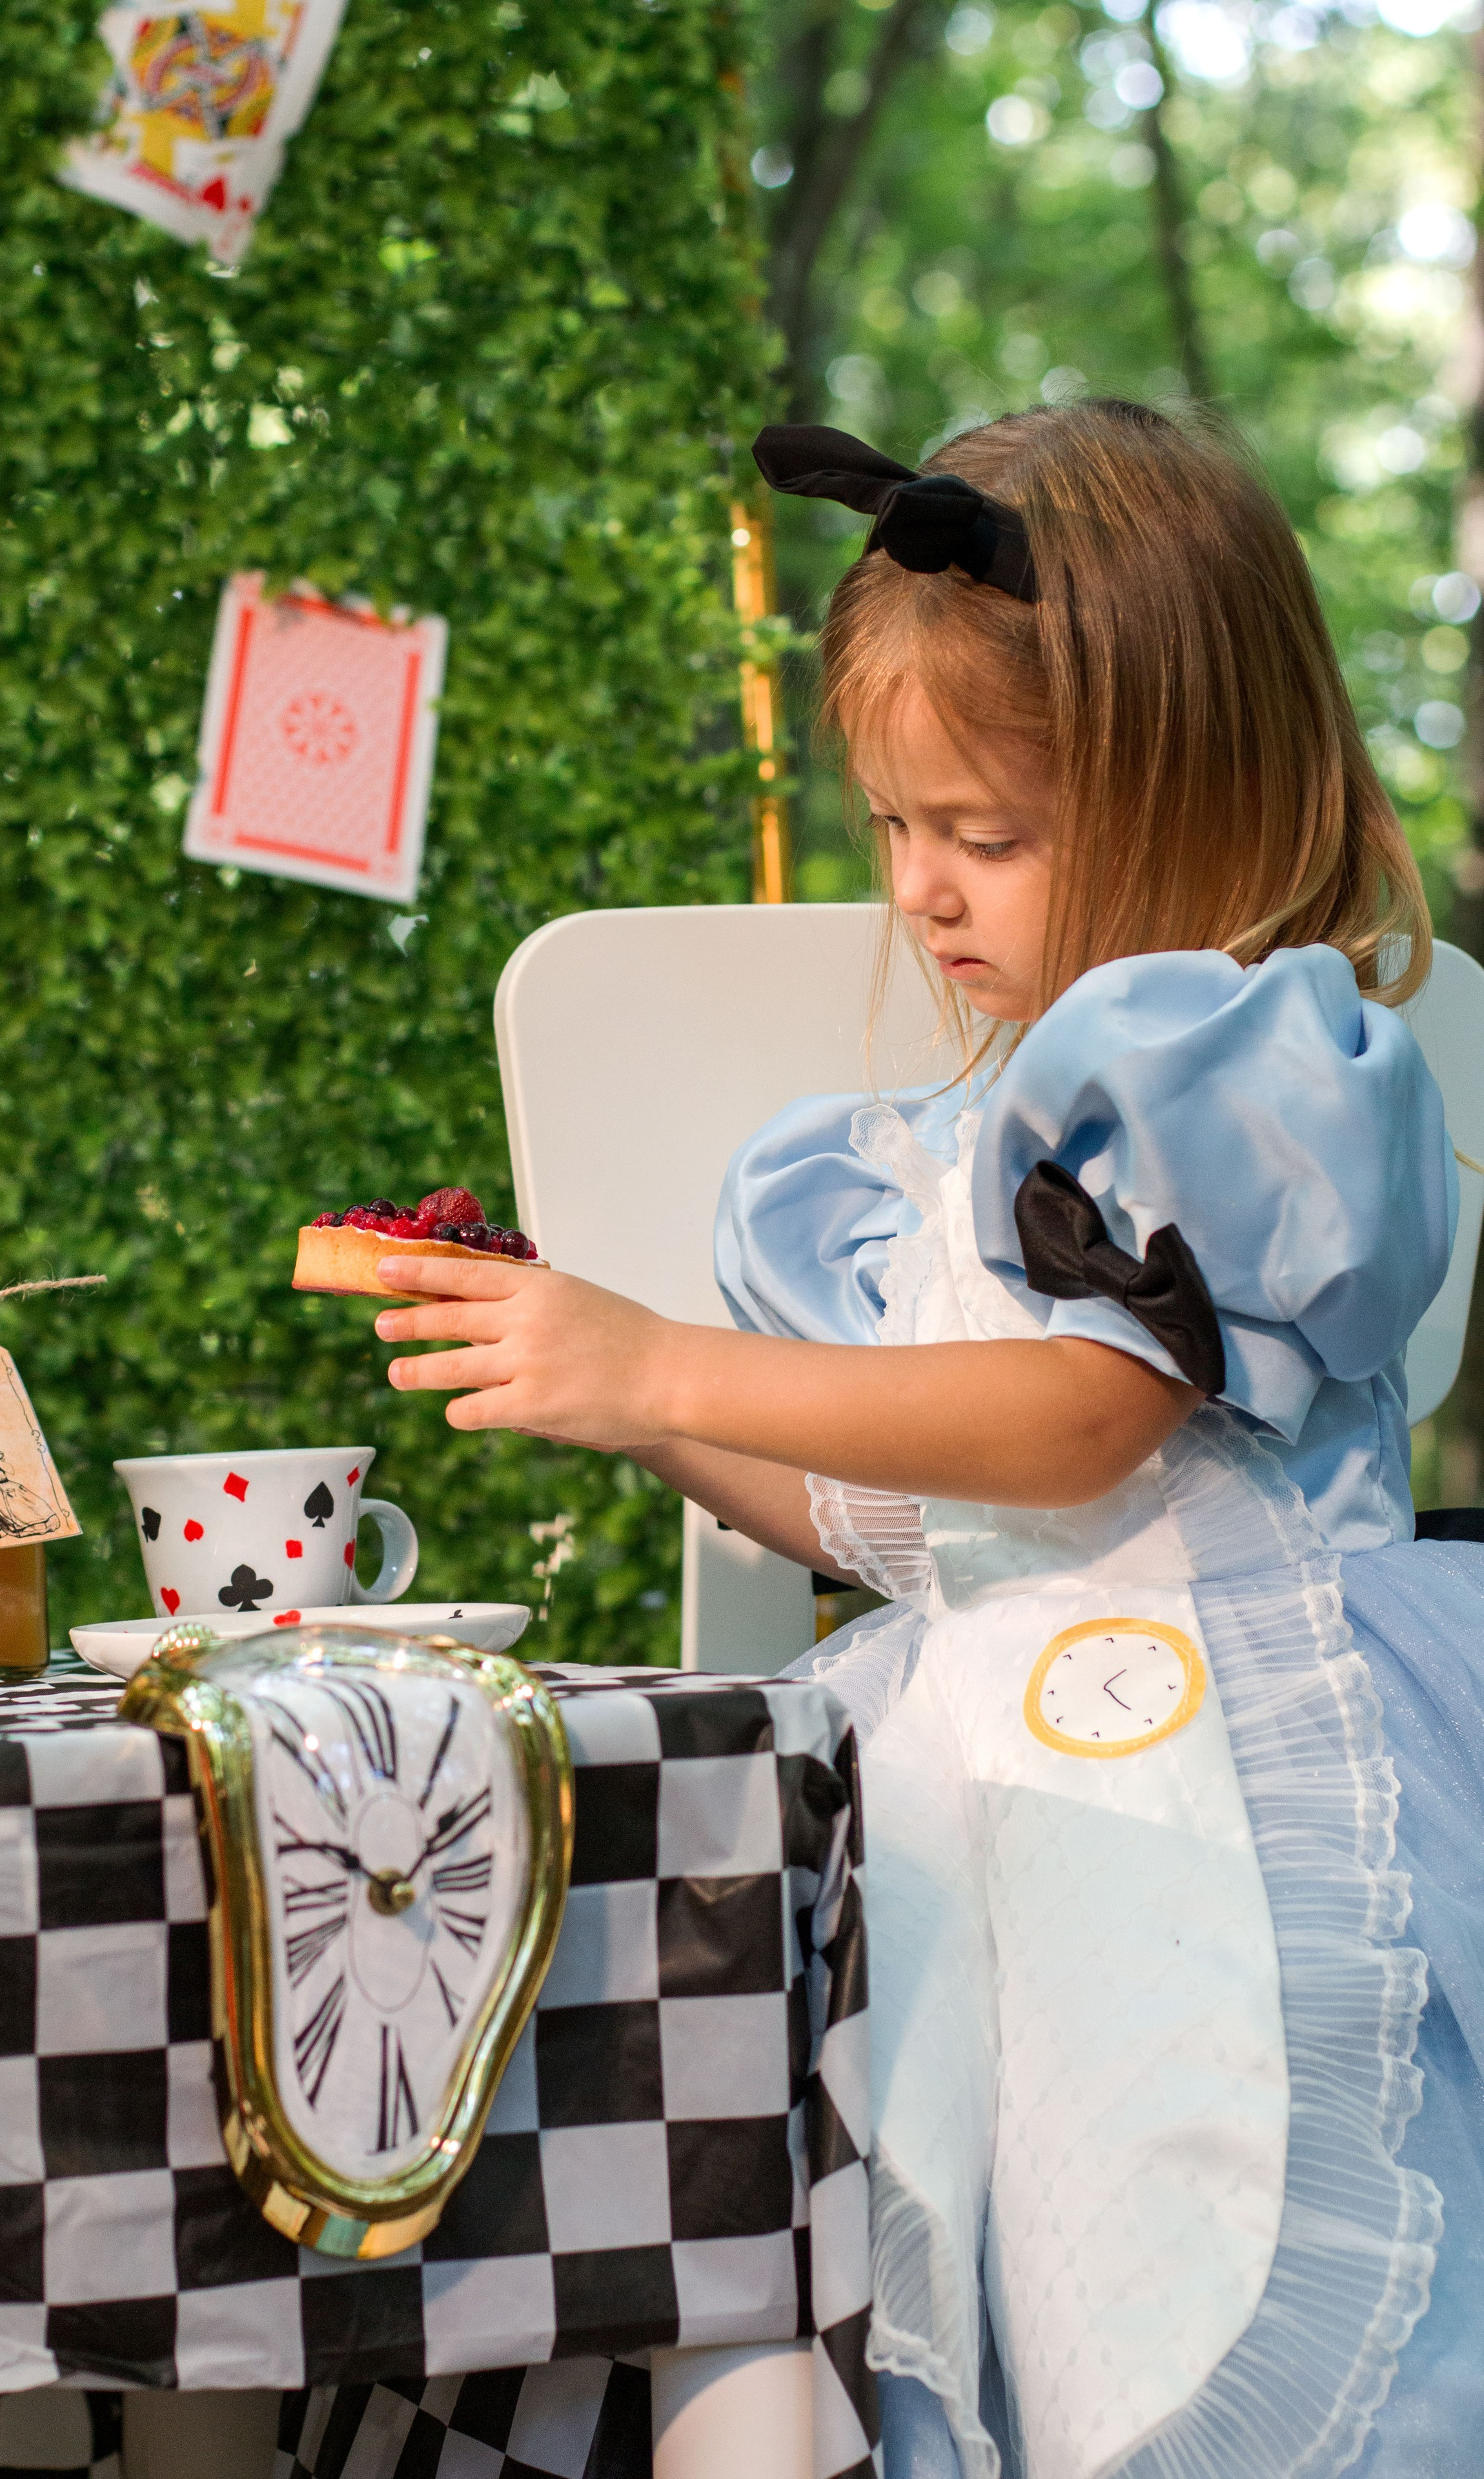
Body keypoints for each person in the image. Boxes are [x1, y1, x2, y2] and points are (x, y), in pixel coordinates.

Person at [369, 400, 1484, 2479]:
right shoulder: (900, 1176)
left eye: (987, 834)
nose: (926, 896)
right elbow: (905, 1519)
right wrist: (620, 1406)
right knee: (986, 2283)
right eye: (894, 829)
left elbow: (1077, 1423)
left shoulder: (1239, 1047)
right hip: (984, 1840)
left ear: (1206, 791)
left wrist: (671, 1367)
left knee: (1222, 2229)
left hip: (1216, 1827)